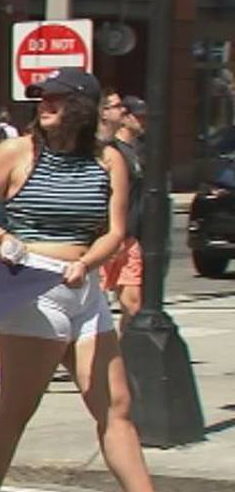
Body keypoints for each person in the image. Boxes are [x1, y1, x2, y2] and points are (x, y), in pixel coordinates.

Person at [0, 67, 221, 492]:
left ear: (82, 106)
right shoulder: (16, 152)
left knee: (116, 407)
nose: (45, 105)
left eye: (56, 98)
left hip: (85, 288)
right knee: (17, 409)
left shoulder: (108, 159)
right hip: (33, 288)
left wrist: (90, 263)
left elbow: (114, 230)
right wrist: (5, 240)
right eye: (42, 98)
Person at [101, 95, 146, 334]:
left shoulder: (137, 150)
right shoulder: (107, 151)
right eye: (118, 107)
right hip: (104, 240)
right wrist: (110, 235)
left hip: (129, 239)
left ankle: (126, 358)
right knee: (89, 305)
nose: (142, 122)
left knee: (133, 303)